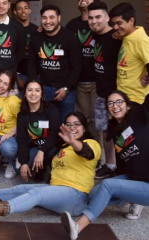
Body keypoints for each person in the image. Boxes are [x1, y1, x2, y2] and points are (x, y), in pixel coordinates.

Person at [0, 112, 100, 220]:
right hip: (58, 189)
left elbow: (85, 152)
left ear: (84, 128)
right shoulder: (63, 149)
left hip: (76, 196)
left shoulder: (91, 143)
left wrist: (73, 141)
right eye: (69, 125)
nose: (72, 128)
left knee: (36, 193)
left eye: (77, 124)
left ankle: (3, 208)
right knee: (20, 189)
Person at [61, 91, 149, 239]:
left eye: (119, 102)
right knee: (95, 193)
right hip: (133, 179)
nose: (115, 106)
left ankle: (77, 227)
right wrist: (124, 190)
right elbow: (122, 164)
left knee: (108, 185)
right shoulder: (115, 130)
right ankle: (129, 198)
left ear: (128, 106)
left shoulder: (140, 116)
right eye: (111, 103)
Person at [28, 5, 82, 122]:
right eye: (44, 18)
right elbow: (31, 63)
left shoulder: (70, 38)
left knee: (65, 124)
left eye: (51, 17)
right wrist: (34, 87)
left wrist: (66, 88)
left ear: (59, 18)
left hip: (66, 90)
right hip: (44, 88)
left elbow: (76, 67)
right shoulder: (36, 37)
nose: (48, 21)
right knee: (43, 123)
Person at [88, 2, 120, 179]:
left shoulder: (117, 37)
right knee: (104, 130)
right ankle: (110, 165)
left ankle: (124, 168)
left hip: (117, 94)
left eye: (98, 17)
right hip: (101, 92)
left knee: (122, 131)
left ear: (107, 17)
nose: (94, 21)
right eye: (91, 18)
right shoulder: (95, 36)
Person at [66, 0, 100, 141]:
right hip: (79, 81)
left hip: (98, 81)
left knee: (99, 119)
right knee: (86, 119)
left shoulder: (102, 24)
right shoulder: (72, 24)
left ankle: (102, 155)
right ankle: (89, 149)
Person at [15, 80, 60, 183]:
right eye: (30, 90)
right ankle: (40, 169)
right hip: (35, 146)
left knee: (50, 153)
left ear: (42, 94)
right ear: (25, 94)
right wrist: (24, 162)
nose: (33, 93)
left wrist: (42, 151)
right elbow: (22, 140)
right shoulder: (22, 115)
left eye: (37, 90)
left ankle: (54, 172)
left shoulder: (51, 109)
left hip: (52, 145)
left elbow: (54, 134)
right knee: (20, 168)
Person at [109, 2, 149, 107]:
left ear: (131, 21)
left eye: (119, 23)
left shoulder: (141, 40)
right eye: (113, 24)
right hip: (123, 98)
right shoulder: (127, 35)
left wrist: (147, 77)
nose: (115, 27)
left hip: (136, 100)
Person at [12, 0, 38, 96]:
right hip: (18, 74)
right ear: (15, 12)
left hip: (35, 74)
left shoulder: (36, 30)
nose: (23, 11)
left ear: (29, 11)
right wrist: (16, 77)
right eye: (19, 9)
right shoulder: (12, 29)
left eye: (25, 8)